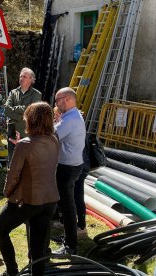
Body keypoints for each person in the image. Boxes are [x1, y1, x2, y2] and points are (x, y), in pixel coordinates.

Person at [0, 102, 59, 276]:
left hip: (28, 200)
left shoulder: (25, 145)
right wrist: (20, 144)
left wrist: (7, 193)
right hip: (50, 199)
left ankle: (12, 271)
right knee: (38, 246)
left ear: (30, 120)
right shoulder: (54, 139)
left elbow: (13, 174)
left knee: (0, 229)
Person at [52, 87, 86, 255]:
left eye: (57, 100)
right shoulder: (72, 116)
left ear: (66, 99)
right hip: (71, 164)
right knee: (66, 204)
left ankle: (70, 246)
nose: (56, 104)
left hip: (67, 166)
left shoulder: (70, 119)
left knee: (67, 206)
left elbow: (52, 137)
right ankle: (68, 237)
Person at [4, 68, 41, 164]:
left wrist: (15, 109)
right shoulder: (13, 92)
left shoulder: (36, 94)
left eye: (24, 76)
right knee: (12, 159)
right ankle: (11, 178)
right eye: (20, 76)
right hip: (13, 129)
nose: (21, 78)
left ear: (31, 79)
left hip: (27, 131)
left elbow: (31, 110)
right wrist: (23, 113)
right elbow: (6, 110)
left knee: (26, 159)